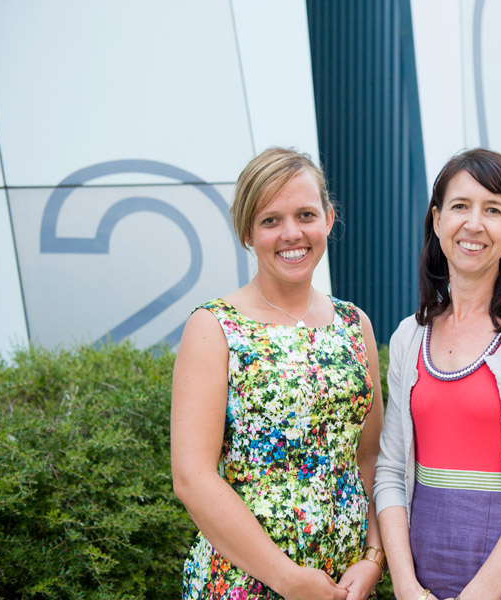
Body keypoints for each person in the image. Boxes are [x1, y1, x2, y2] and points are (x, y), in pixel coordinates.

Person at [171, 147, 385, 600]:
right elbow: (192, 477)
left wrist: (373, 555)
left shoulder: (354, 324)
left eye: (306, 215)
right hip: (244, 584)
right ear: (247, 232)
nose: (292, 233)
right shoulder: (214, 327)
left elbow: (369, 457)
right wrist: (288, 579)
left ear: (328, 219)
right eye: (271, 220)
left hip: (343, 587)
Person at [373, 148, 501, 600]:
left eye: (493, 210)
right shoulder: (409, 336)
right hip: (422, 579)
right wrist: (405, 586)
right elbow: (389, 472)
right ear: (437, 219)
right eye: (460, 206)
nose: (474, 223)